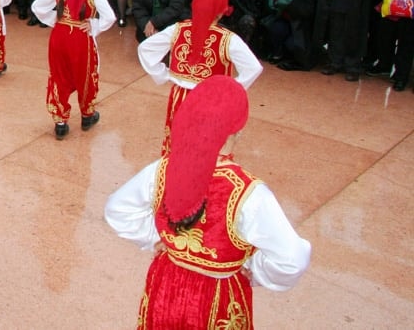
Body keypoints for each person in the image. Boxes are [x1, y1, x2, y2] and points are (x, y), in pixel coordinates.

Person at [104, 76, 311, 330]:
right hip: (218, 291)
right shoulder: (248, 192)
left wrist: (156, 238)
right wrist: (256, 271)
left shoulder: (163, 169)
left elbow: (118, 209)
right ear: (239, 129)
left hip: (166, 282)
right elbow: (292, 259)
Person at [138, 0, 263, 154]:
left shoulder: (178, 30)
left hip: (180, 97)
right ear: (221, 10)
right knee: (206, 148)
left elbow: (145, 49)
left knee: (177, 144)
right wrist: (229, 90)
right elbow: (254, 68)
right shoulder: (228, 39)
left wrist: (164, 74)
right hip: (211, 99)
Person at [32, 0, 115, 139]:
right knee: (85, 75)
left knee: (59, 75)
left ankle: (60, 123)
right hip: (80, 37)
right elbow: (110, 17)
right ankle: (87, 115)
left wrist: (56, 20)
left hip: (59, 36)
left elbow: (37, 6)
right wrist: (94, 25)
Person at [263, 0, 317, 72]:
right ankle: (277, 54)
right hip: (286, 21)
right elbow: (272, 9)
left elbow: (305, 12)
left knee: (292, 44)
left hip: (302, 26)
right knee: (276, 28)